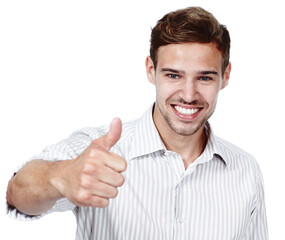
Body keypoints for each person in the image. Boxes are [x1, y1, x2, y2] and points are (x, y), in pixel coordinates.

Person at [6, 6, 268, 240]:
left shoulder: (245, 171)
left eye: (205, 78)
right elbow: (17, 195)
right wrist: (59, 177)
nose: (188, 95)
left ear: (226, 75)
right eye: (173, 75)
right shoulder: (98, 153)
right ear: (151, 70)